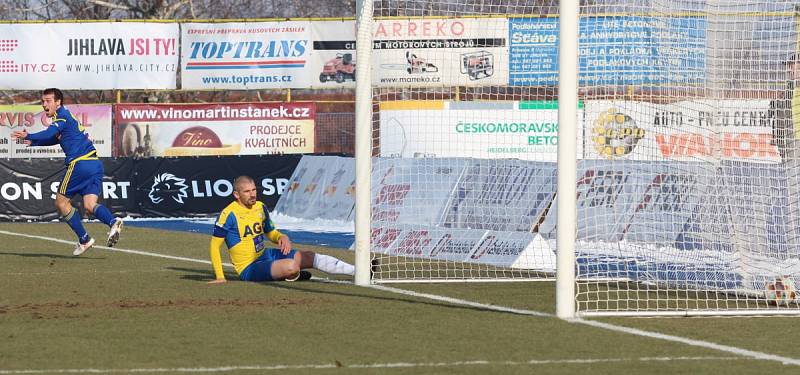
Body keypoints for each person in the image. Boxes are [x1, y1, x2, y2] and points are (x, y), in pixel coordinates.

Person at [11, 88, 123, 256]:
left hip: (79, 164)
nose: (44, 104)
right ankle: (113, 222)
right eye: (43, 101)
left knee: (61, 203)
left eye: (48, 101)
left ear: (58, 102)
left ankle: (84, 239)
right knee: (90, 206)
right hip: (94, 163)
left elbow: (49, 132)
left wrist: (31, 135)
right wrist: (33, 142)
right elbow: (53, 138)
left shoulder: (61, 116)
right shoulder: (65, 118)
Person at [208, 175, 357, 283]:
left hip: (266, 255)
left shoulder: (260, 207)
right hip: (249, 267)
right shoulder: (228, 214)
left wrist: (281, 237)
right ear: (236, 194)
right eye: (247, 191)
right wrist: (220, 276)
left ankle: (358, 271)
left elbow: (270, 232)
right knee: (292, 266)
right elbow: (215, 247)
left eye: (254, 190)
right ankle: (291, 274)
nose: (252, 194)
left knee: (309, 256)